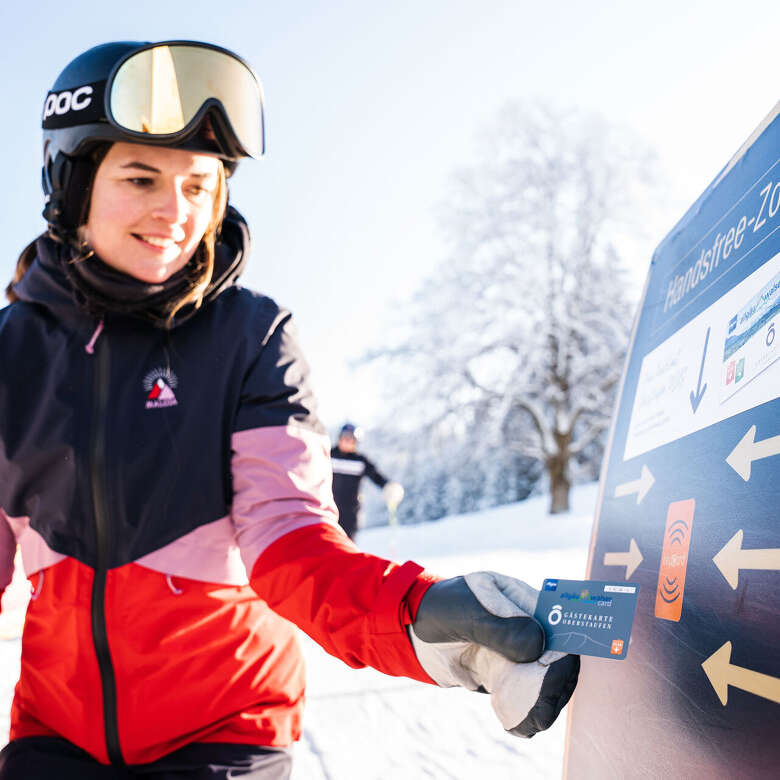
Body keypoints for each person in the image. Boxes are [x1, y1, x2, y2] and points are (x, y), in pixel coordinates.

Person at [0, 40, 579, 779]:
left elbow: (291, 542)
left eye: (201, 186)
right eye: (141, 177)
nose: (175, 212)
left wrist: (421, 619)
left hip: (223, 729)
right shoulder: (12, 354)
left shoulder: (250, 337)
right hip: (55, 734)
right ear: (70, 186)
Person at [330, 422, 403, 539]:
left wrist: (389, 487)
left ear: (356, 442)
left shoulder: (360, 461)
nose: (347, 441)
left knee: (347, 545)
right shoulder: (329, 456)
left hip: (350, 513)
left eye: (351, 439)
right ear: (339, 438)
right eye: (345, 437)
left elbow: (376, 476)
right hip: (329, 510)